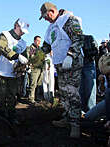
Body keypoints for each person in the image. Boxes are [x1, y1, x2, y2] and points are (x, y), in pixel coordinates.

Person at [39, 2, 83, 138]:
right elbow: (46, 46)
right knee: (63, 93)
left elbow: (78, 37)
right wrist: (37, 56)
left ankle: (75, 124)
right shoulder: (50, 28)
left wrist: (70, 55)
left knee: (72, 92)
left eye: (45, 16)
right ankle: (67, 118)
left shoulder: (68, 20)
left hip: (72, 63)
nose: (45, 19)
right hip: (59, 64)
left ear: (52, 11)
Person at [0, 18, 29, 124]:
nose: (22, 33)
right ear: (16, 26)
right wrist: (16, 56)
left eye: (24, 31)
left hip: (14, 74)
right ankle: (0, 116)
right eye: (21, 30)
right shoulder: (5, 35)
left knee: (12, 95)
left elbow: (24, 58)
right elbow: (3, 48)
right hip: (2, 71)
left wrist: (23, 65)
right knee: (1, 95)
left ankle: (11, 116)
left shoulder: (23, 43)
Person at [79, 35, 98, 114]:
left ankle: (91, 111)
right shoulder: (70, 41)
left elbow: (96, 50)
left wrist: (87, 54)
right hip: (78, 64)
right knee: (81, 88)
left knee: (90, 87)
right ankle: (82, 110)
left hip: (88, 63)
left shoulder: (89, 38)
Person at [26, 35, 45, 104]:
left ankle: (37, 97)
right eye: (37, 41)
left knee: (39, 84)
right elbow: (29, 58)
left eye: (40, 41)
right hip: (34, 69)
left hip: (41, 69)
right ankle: (31, 98)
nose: (39, 42)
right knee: (33, 84)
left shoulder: (40, 49)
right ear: (34, 41)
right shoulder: (30, 48)